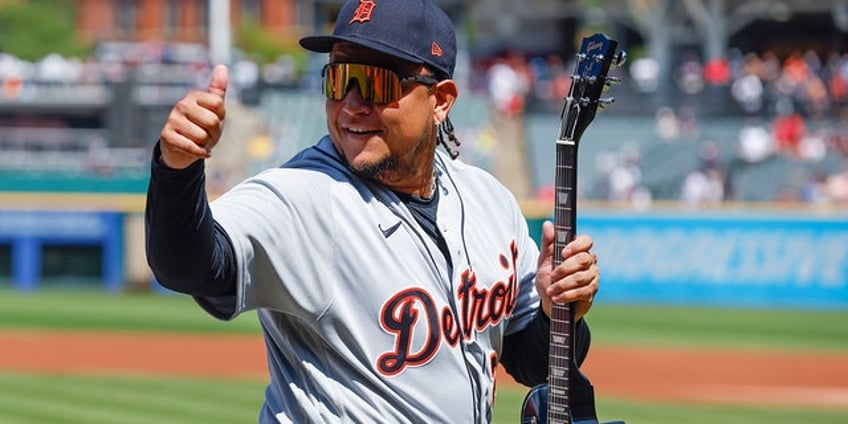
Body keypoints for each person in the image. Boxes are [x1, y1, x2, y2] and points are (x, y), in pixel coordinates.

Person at [145, 0, 601, 422]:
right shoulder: (302, 197)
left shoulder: (489, 200)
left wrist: (557, 311)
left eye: (377, 83)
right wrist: (177, 169)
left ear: (440, 100)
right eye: (340, 79)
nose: (352, 105)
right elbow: (188, 267)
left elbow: (531, 360)